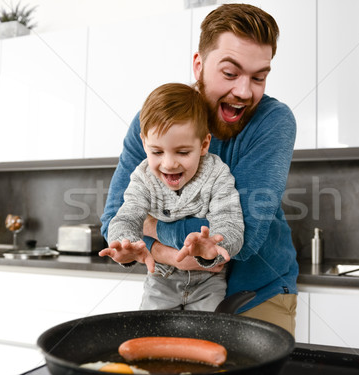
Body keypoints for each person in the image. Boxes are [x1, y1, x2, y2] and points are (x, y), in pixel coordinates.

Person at [101, 3, 298, 336]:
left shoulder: (273, 122)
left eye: (259, 77)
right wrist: (162, 250)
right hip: (168, 287)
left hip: (256, 293)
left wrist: (150, 224)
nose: (244, 91)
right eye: (230, 73)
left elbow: (241, 239)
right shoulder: (152, 122)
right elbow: (114, 220)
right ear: (199, 65)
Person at [99, 82, 244, 311]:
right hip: (160, 280)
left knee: (206, 342)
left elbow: (231, 223)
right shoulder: (143, 177)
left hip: (209, 283)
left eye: (183, 152)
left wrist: (215, 245)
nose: (169, 164)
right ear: (144, 143)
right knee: (152, 342)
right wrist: (124, 242)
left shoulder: (218, 175)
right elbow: (126, 217)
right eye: (157, 152)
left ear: (204, 144)